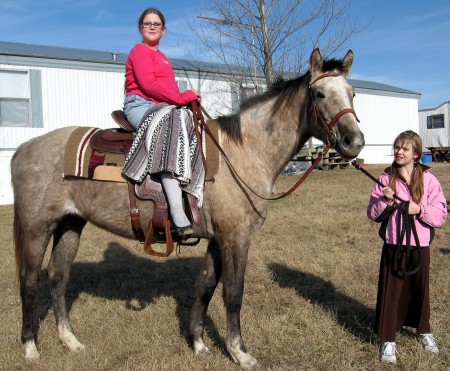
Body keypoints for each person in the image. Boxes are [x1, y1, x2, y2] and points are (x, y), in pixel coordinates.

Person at [367, 130, 447, 364]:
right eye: (397, 147)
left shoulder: (429, 180)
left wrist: (419, 209)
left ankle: (424, 331)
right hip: (394, 244)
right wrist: (386, 201)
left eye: (405, 148)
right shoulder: (385, 179)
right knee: (391, 293)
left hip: (420, 245)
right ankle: (388, 338)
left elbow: (441, 214)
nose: (399, 151)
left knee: (420, 291)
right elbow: (372, 213)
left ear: (416, 154)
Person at [123, 8, 202, 236]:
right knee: (170, 125)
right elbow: (148, 85)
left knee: (188, 122)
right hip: (139, 104)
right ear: (140, 28)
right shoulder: (139, 50)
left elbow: (169, 90)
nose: (152, 27)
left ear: (164, 29)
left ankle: (192, 190)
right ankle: (176, 208)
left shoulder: (165, 59)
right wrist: (181, 97)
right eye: (147, 23)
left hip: (162, 105)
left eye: (156, 24)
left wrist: (186, 101)